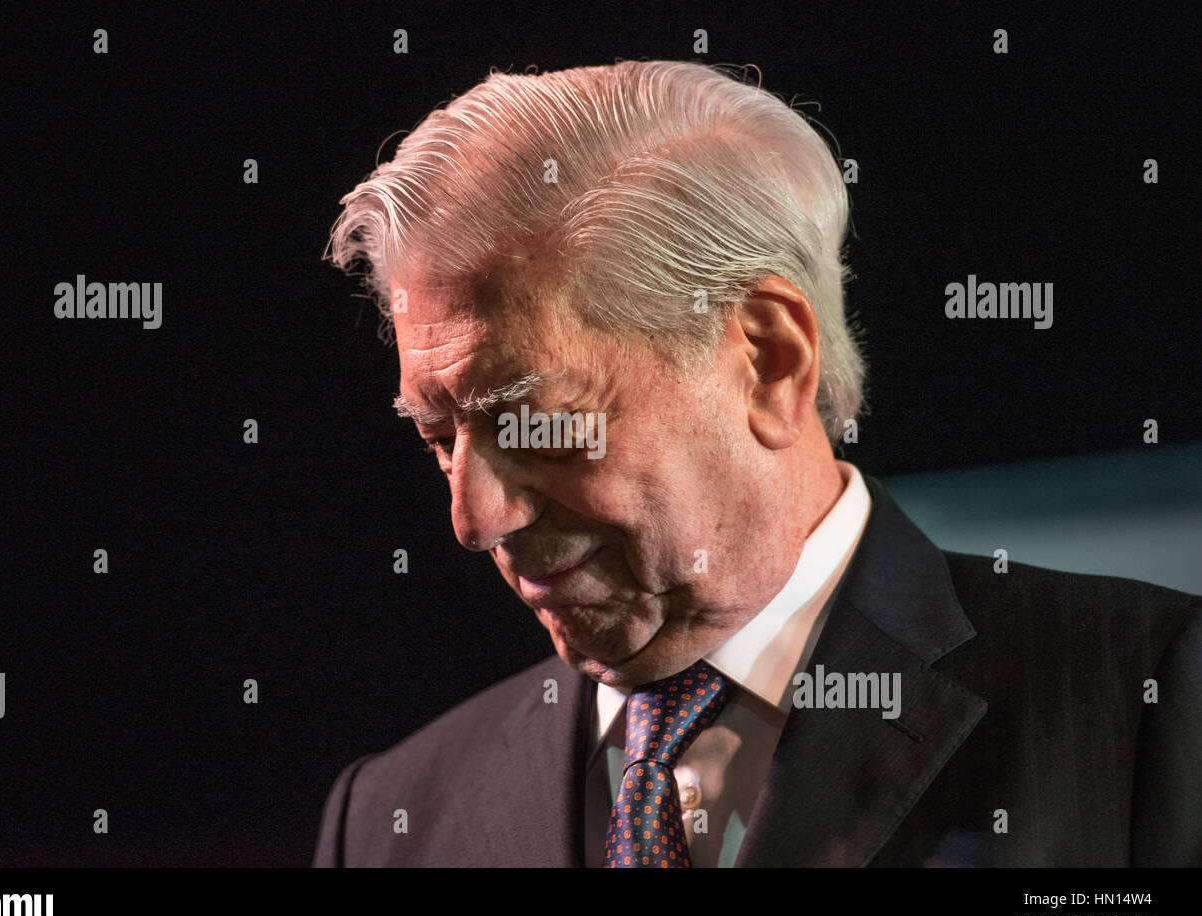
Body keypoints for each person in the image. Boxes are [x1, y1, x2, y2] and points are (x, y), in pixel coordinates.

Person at [313, 60, 1201, 867]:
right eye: (439, 437)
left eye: (532, 422)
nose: (475, 520)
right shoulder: (390, 816)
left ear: (769, 360)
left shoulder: (1152, 703)